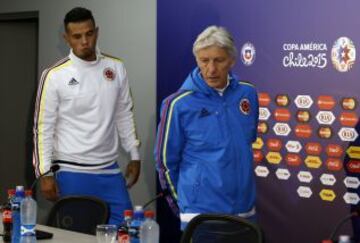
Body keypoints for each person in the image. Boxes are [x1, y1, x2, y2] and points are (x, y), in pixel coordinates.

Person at [32, 7, 141, 225]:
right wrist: (44, 173)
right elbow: (42, 128)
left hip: (110, 169)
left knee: (128, 232)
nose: (85, 41)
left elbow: (123, 113)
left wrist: (134, 154)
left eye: (89, 34)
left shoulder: (116, 67)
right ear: (67, 38)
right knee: (78, 237)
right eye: (77, 36)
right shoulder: (54, 75)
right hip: (71, 171)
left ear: (97, 32)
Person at [155, 26, 259, 231]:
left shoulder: (248, 93)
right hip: (201, 216)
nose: (211, 69)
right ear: (197, 61)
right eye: (204, 61)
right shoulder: (177, 104)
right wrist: (185, 207)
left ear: (231, 60)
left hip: (245, 212)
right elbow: (165, 163)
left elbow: (247, 143)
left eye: (218, 60)